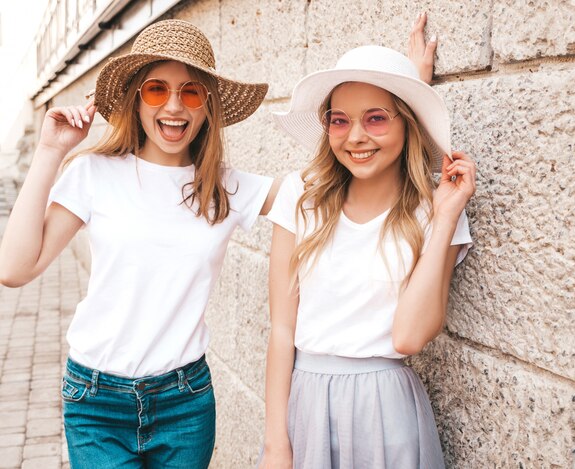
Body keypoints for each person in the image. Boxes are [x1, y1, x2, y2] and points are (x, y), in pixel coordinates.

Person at [0, 19, 278, 468]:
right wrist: (50, 151)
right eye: (156, 89)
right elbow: (14, 269)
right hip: (96, 403)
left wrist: (405, 100)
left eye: (191, 91)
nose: (174, 106)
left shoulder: (226, 188)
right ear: (135, 98)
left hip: (184, 403)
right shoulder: (94, 174)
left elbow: (322, 195)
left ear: (207, 105)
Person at [259, 16, 476, 469]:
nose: (356, 136)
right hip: (306, 404)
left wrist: (444, 219)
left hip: (387, 411)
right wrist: (275, 444)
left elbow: (410, 335)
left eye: (376, 118)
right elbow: (282, 331)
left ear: (407, 124)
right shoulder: (302, 197)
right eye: (340, 121)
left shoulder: (434, 212)